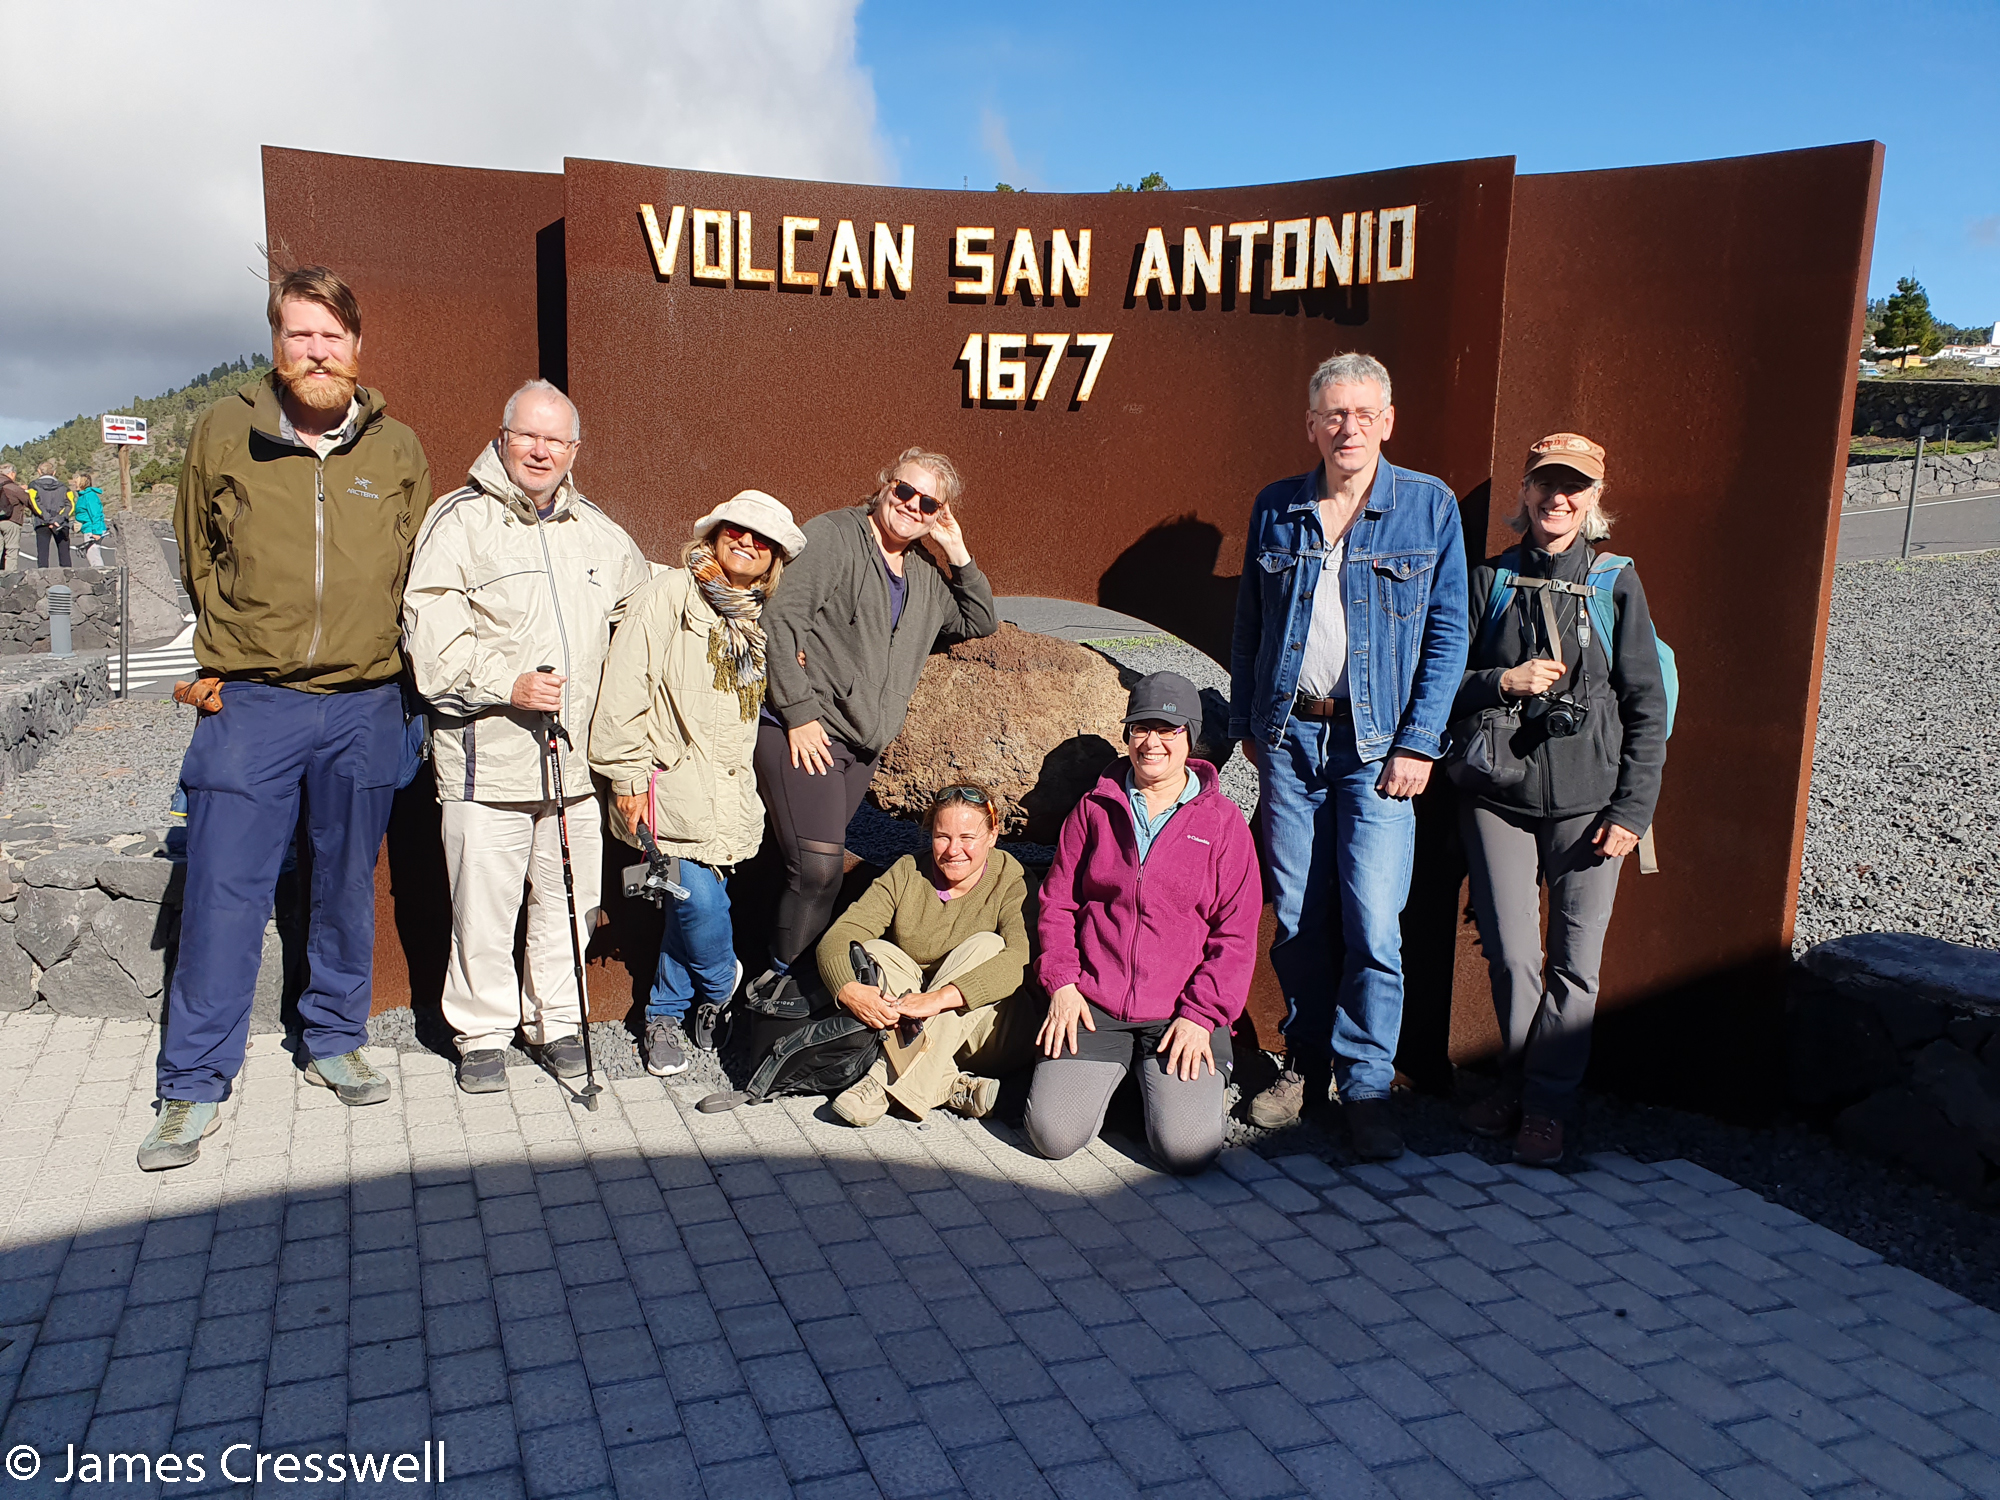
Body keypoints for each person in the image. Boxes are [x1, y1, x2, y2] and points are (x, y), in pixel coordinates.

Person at [141, 264, 433, 1171]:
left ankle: (334, 1040)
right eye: (299, 334)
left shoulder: (398, 451)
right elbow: (197, 552)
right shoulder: (226, 430)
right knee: (224, 891)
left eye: (331, 336)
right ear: (278, 344)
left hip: (362, 703)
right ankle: (191, 1084)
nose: (316, 351)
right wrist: (227, 653)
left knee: (345, 883)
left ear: (357, 347)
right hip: (253, 705)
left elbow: (412, 571)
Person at [1230, 351, 1469, 1161]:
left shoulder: (1427, 507)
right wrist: (1251, 728)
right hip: (1292, 739)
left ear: (1388, 422)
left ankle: (1365, 1085)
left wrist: (1418, 744)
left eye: (1364, 414)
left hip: (1378, 752)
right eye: (1334, 414)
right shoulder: (1278, 507)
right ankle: (1305, 1062)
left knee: (1374, 919)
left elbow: (1446, 634)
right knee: (1298, 914)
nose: (1349, 428)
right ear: (1311, 425)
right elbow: (1251, 629)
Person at [403, 380, 651, 1095]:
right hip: (487, 765)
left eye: (557, 440)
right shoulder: (457, 523)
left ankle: (558, 1021)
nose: (541, 451)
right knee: (482, 907)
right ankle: (482, 1033)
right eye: (529, 436)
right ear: (503, 437)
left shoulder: (601, 532)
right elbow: (429, 648)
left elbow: (646, 612)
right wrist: (505, 683)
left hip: (574, 769)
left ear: (575, 450)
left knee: (568, 907)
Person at [1454, 434, 1668, 1167]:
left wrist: (1632, 812)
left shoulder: (1616, 584)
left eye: (1574, 486)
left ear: (1595, 498)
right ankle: (1519, 1086)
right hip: (1497, 798)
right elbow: (1440, 683)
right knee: (1513, 959)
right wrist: (1501, 683)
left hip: (1590, 804)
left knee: (1575, 964)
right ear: (1526, 490)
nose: (1558, 498)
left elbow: (1647, 704)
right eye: (1546, 482)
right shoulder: (1489, 581)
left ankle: (1547, 1108)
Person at [749, 448, 998, 1008]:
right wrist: (799, 712)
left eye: (928, 502)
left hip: (861, 749)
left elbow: (980, 620)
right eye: (904, 490)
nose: (911, 505)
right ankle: (779, 987)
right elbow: (781, 619)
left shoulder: (927, 578)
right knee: (817, 870)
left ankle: (782, 985)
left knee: (799, 868)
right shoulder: (836, 537)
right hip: (807, 733)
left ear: (940, 514)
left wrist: (956, 551)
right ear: (884, 485)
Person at [589, 490, 806, 1078]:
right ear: (713, 533)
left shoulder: (757, 620)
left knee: (685, 911)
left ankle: (662, 1014)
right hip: (665, 784)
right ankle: (721, 983)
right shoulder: (669, 595)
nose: (748, 543)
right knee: (699, 899)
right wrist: (627, 776)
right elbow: (625, 689)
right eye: (737, 529)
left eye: (763, 541)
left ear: (774, 560)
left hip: (727, 794)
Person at [1027, 673, 1260, 1175]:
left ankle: (1150, 1092)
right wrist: (1063, 983)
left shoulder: (1222, 824)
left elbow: (1236, 935)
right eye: (1140, 728)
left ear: (1190, 737)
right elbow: (1058, 903)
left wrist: (1202, 1015)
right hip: (1096, 1005)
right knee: (1052, 1135)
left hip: (1178, 1012)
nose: (1151, 742)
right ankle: (1125, 1086)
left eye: (1167, 729)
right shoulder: (1093, 810)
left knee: (1187, 1151)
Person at [818, 783, 1037, 1127]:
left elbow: (1018, 960)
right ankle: (948, 1085)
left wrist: (940, 999)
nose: (953, 850)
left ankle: (884, 1082)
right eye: (942, 837)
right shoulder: (908, 871)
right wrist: (847, 988)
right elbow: (841, 936)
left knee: (987, 947)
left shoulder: (1011, 880)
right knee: (875, 951)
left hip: (988, 1034)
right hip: (912, 1022)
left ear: (992, 836)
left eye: (968, 837)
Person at [28, 460, 71, 568]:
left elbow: (34, 504)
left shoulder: (33, 486)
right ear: (54, 472)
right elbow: (70, 505)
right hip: (60, 524)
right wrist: (58, 519)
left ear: (39, 471)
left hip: (42, 523)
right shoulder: (64, 487)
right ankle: (67, 580)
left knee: (43, 556)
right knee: (64, 555)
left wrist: (47, 518)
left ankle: (43, 581)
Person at [71, 471, 107, 566]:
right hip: (88, 528)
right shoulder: (84, 496)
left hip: (92, 530)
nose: (74, 484)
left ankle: (102, 576)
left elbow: (95, 514)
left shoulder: (90, 496)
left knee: (93, 555)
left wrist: (97, 532)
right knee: (91, 554)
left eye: (76, 482)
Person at [0, 464, 30, 571]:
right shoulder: (14, 488)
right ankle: (9, 579)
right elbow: (29, 502)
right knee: (11, 551)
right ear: (12, 473)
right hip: (12, 520)